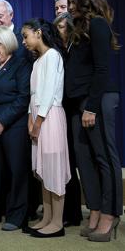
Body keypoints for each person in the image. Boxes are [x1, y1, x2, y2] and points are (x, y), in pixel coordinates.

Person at [66, 0, 122, 242]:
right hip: (80, 102)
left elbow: (102, 70)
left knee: (103, 157)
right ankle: (96, 210)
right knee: (84, 159)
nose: (70, 6)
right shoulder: (78, 28)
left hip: (97, 100)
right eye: (69, 2)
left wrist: (91, 107)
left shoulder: (98, 24)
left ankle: (111, 215)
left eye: (74, 1)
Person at [21, 18, 71, 238]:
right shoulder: (38, 60)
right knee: (44, 170)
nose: (24, 41)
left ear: (38, 33)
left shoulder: (52, 56)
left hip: (50, 117)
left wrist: (38, 121)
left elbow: (49, 92)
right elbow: (34, 95)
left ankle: (58, 223)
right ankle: (48, 217)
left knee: (54, 168)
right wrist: (30, 119)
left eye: (26, 36)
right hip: (38, 117)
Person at [0, 26, 31, 231]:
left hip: (14, 126)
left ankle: (17, 216)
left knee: (17, 171)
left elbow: (23, 98)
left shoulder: (21, 65)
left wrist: (2, 121)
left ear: (8, 44)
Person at [53, 12, 83, 227]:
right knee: (66, 163)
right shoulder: (58, 52)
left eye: (63, 27)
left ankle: (74, 212)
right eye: (57, 28)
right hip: (62, 109)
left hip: (72, 110)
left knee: (71, 162)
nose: (59, 31)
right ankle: (68, 212)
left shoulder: (73, 51)